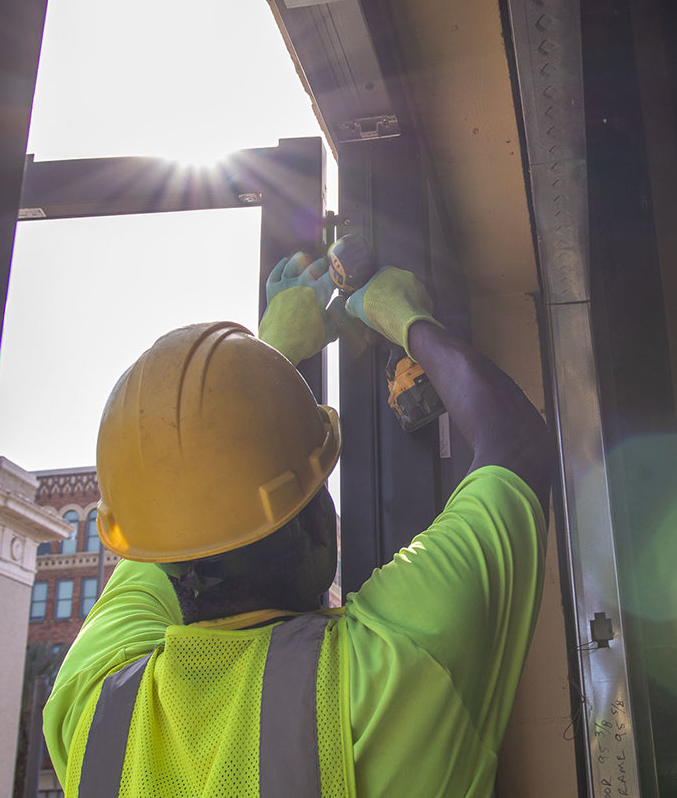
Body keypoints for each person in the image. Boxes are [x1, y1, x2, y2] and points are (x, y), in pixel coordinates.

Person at [42, 252, 553, 797]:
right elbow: (514, 445)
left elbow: (186, 515)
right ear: (319, 528)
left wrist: (263, 362)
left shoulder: (92, 708)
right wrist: (406, 318)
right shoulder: (388, 666)